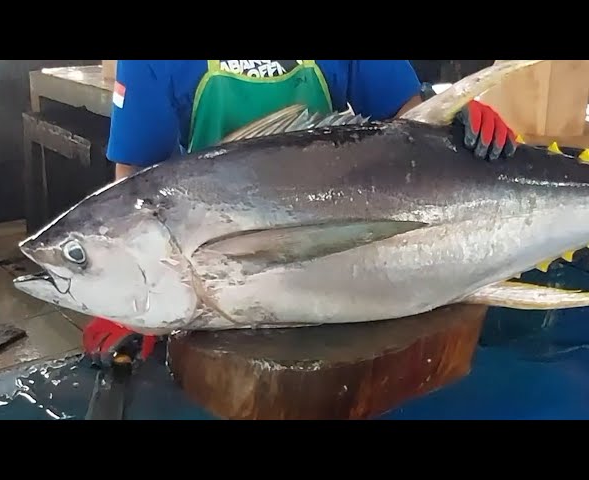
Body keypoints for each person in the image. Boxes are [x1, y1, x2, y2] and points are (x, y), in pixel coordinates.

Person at [83, 60, 518, 366]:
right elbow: (136, 179)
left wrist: (454, 128)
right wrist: (128, 290)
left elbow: (406, 121)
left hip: (353, 260)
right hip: (215, 276)